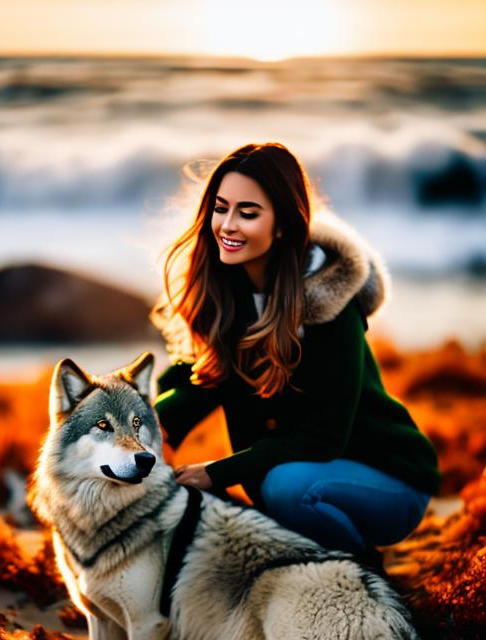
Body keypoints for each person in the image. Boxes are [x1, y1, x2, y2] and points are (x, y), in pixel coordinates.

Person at [151, 142, 440, 558]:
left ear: (283, 224)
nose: (227, 225)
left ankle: (363, 572)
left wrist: (216, 473)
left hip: (389, 480)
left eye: (248, 213)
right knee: (277, 486)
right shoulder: (233, 293)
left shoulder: (328, 305)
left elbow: (322, 439)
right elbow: (209, 378)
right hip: (298, 473)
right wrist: (156, 425)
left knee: (286, 488)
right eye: (220, 207)